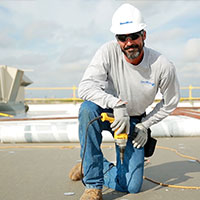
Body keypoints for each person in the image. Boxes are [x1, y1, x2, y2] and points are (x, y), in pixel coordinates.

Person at [69, 3, 180, 200]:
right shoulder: (107, 52)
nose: (129, 43)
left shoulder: (162, 65)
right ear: (117, 40)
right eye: (122, 38)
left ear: (143, 35)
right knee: (87, 110)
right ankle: (93, 185)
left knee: (132, 186)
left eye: (134, 36)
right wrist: (115, 103)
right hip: (107, 113)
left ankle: (91, 166)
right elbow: (85, 87)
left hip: (135, 120)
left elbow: (170, 102)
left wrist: (145, 125)